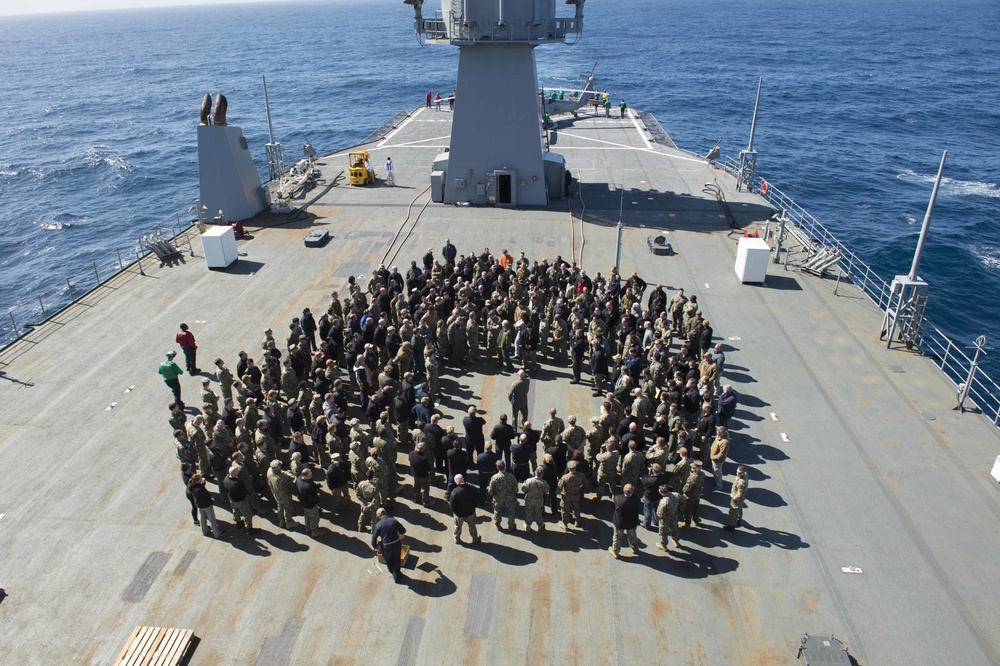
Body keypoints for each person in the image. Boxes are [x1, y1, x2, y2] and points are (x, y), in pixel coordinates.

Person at [371, 507, 407, 583]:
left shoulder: (378, 525)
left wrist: (377, 546)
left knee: (389, 561)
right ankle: (396, 575)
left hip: (386, 547)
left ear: (379, 516)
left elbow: (373, 540)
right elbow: (403, 531)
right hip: (397, 544)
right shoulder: (394, 520)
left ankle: (393, 572)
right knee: (396, 559)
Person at [609, 483, 641, 559]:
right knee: (632, 536)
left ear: (624, 490)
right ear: (632, 491)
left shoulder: (618, 499)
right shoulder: (636, 500)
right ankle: (634, 548)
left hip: (620, 523)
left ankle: (615, 552)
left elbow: (615, 499)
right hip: (631, 522)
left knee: (617, 537)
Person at [188, 473, 225, 538]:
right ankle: (217, 534)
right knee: (212, 519)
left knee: (203, 518)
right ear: (197, 480)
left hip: (199, 505)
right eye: (200, 478)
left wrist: (202, 484)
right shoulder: (200, 488)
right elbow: (206, 495)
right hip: (206, 505)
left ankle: (204, 531)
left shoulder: (192, 486)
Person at [449, 474, 481, 544]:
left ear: (457, 482)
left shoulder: (455, 492)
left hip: (459, 514)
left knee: (457, 526)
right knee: (472, 525)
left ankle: (456, 538)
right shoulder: (472, 488)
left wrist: (455, 511)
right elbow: (477, 498)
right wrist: (474, 506)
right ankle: (475, 537)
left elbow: (452, 505)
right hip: (470, 512)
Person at [487, 460, 518, 531]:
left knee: (497, 511)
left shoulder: (495, 478)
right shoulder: (511, 476)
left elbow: (490, 491)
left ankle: (497, 524)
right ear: (505, 466)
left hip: (498, 498)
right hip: (509, 497)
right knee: (511, 511)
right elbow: (516, 489)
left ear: (497, 467)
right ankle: (511, 525)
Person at [267, 459, 297, 529]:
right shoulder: (281, 478)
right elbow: (291, 481)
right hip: (284, 494)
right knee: (288, 507)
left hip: (275, 492)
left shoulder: (269, 471)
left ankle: (281, 520)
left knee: (280, 505)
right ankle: (289, 521)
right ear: (277, 467)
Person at [724, 465, 748, 531]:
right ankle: (739, 519)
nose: (738, 474)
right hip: (741, 498)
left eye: (740, 473)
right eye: (737, 472)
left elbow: (739, 494)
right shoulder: (745, 475)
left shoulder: (741, 482)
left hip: (737, 499)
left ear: (743, 472)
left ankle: (732, 526)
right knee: (739, 508)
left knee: (733, 512)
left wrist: (734, 498)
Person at [408, 441, 433, 505]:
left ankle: (416, 498)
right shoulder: (424, 458)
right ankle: (425, 501)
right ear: (423, 449)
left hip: (415, 475)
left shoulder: (411, 454)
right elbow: (428, 469)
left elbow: (410, 460)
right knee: (425, 489)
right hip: (423, 476)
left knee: (416, 486)